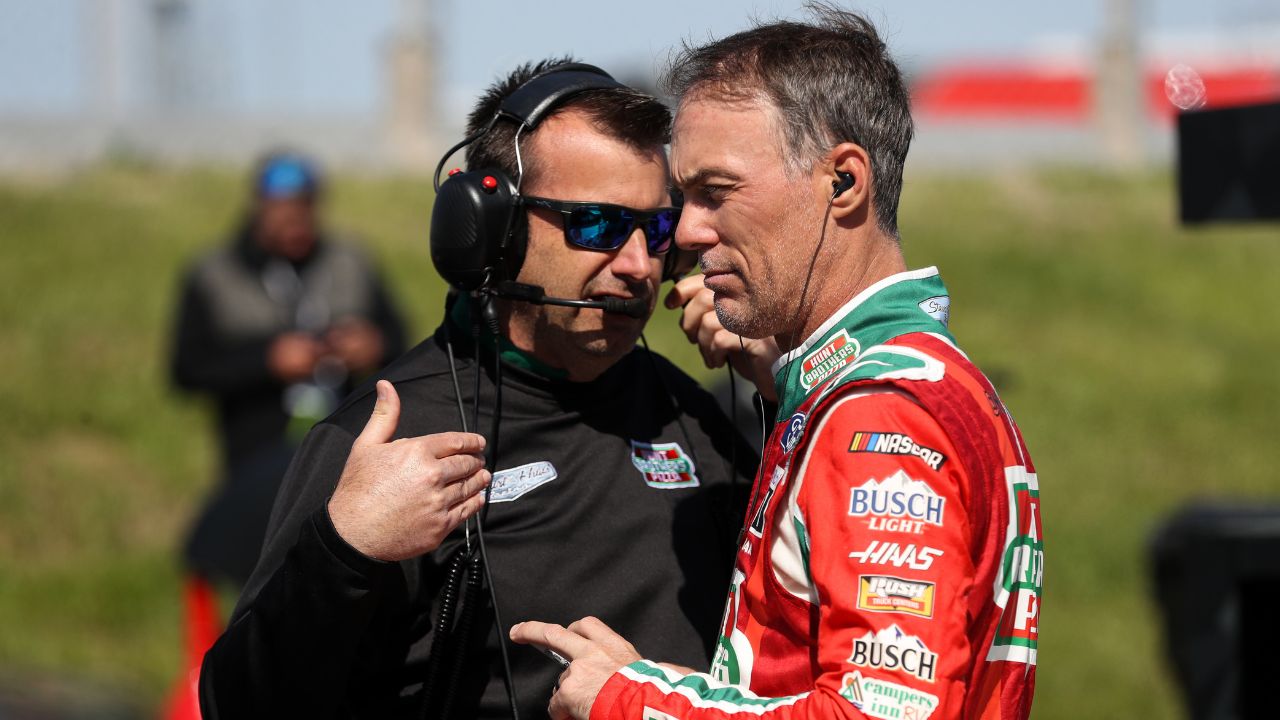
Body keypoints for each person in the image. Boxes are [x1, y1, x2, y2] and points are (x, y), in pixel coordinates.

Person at [510, 8, 1044, 720]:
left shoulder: (880, 416)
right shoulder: (914, 378)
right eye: (684, 198)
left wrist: (633, 702)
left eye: (715, 193)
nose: (688, 234)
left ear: (844, 183)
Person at [199, 60, 755, 719]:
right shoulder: (385, 438)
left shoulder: (694, 412)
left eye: (656, 231)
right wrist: (344, 550)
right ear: (496, 230)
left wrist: (783, 389)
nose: (638, 266)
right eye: (597, 226)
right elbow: (239, 704)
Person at [171, 151, 407, 590]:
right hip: (253, 458)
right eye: (283, 211)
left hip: (344, 455)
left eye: (305, 209)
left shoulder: (350, 261)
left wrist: (370, 346)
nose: (295, 222)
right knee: (262, 584)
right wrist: (266, 361)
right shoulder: (214, 272)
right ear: (258, 207)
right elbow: (186, 370)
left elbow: (399, 342)